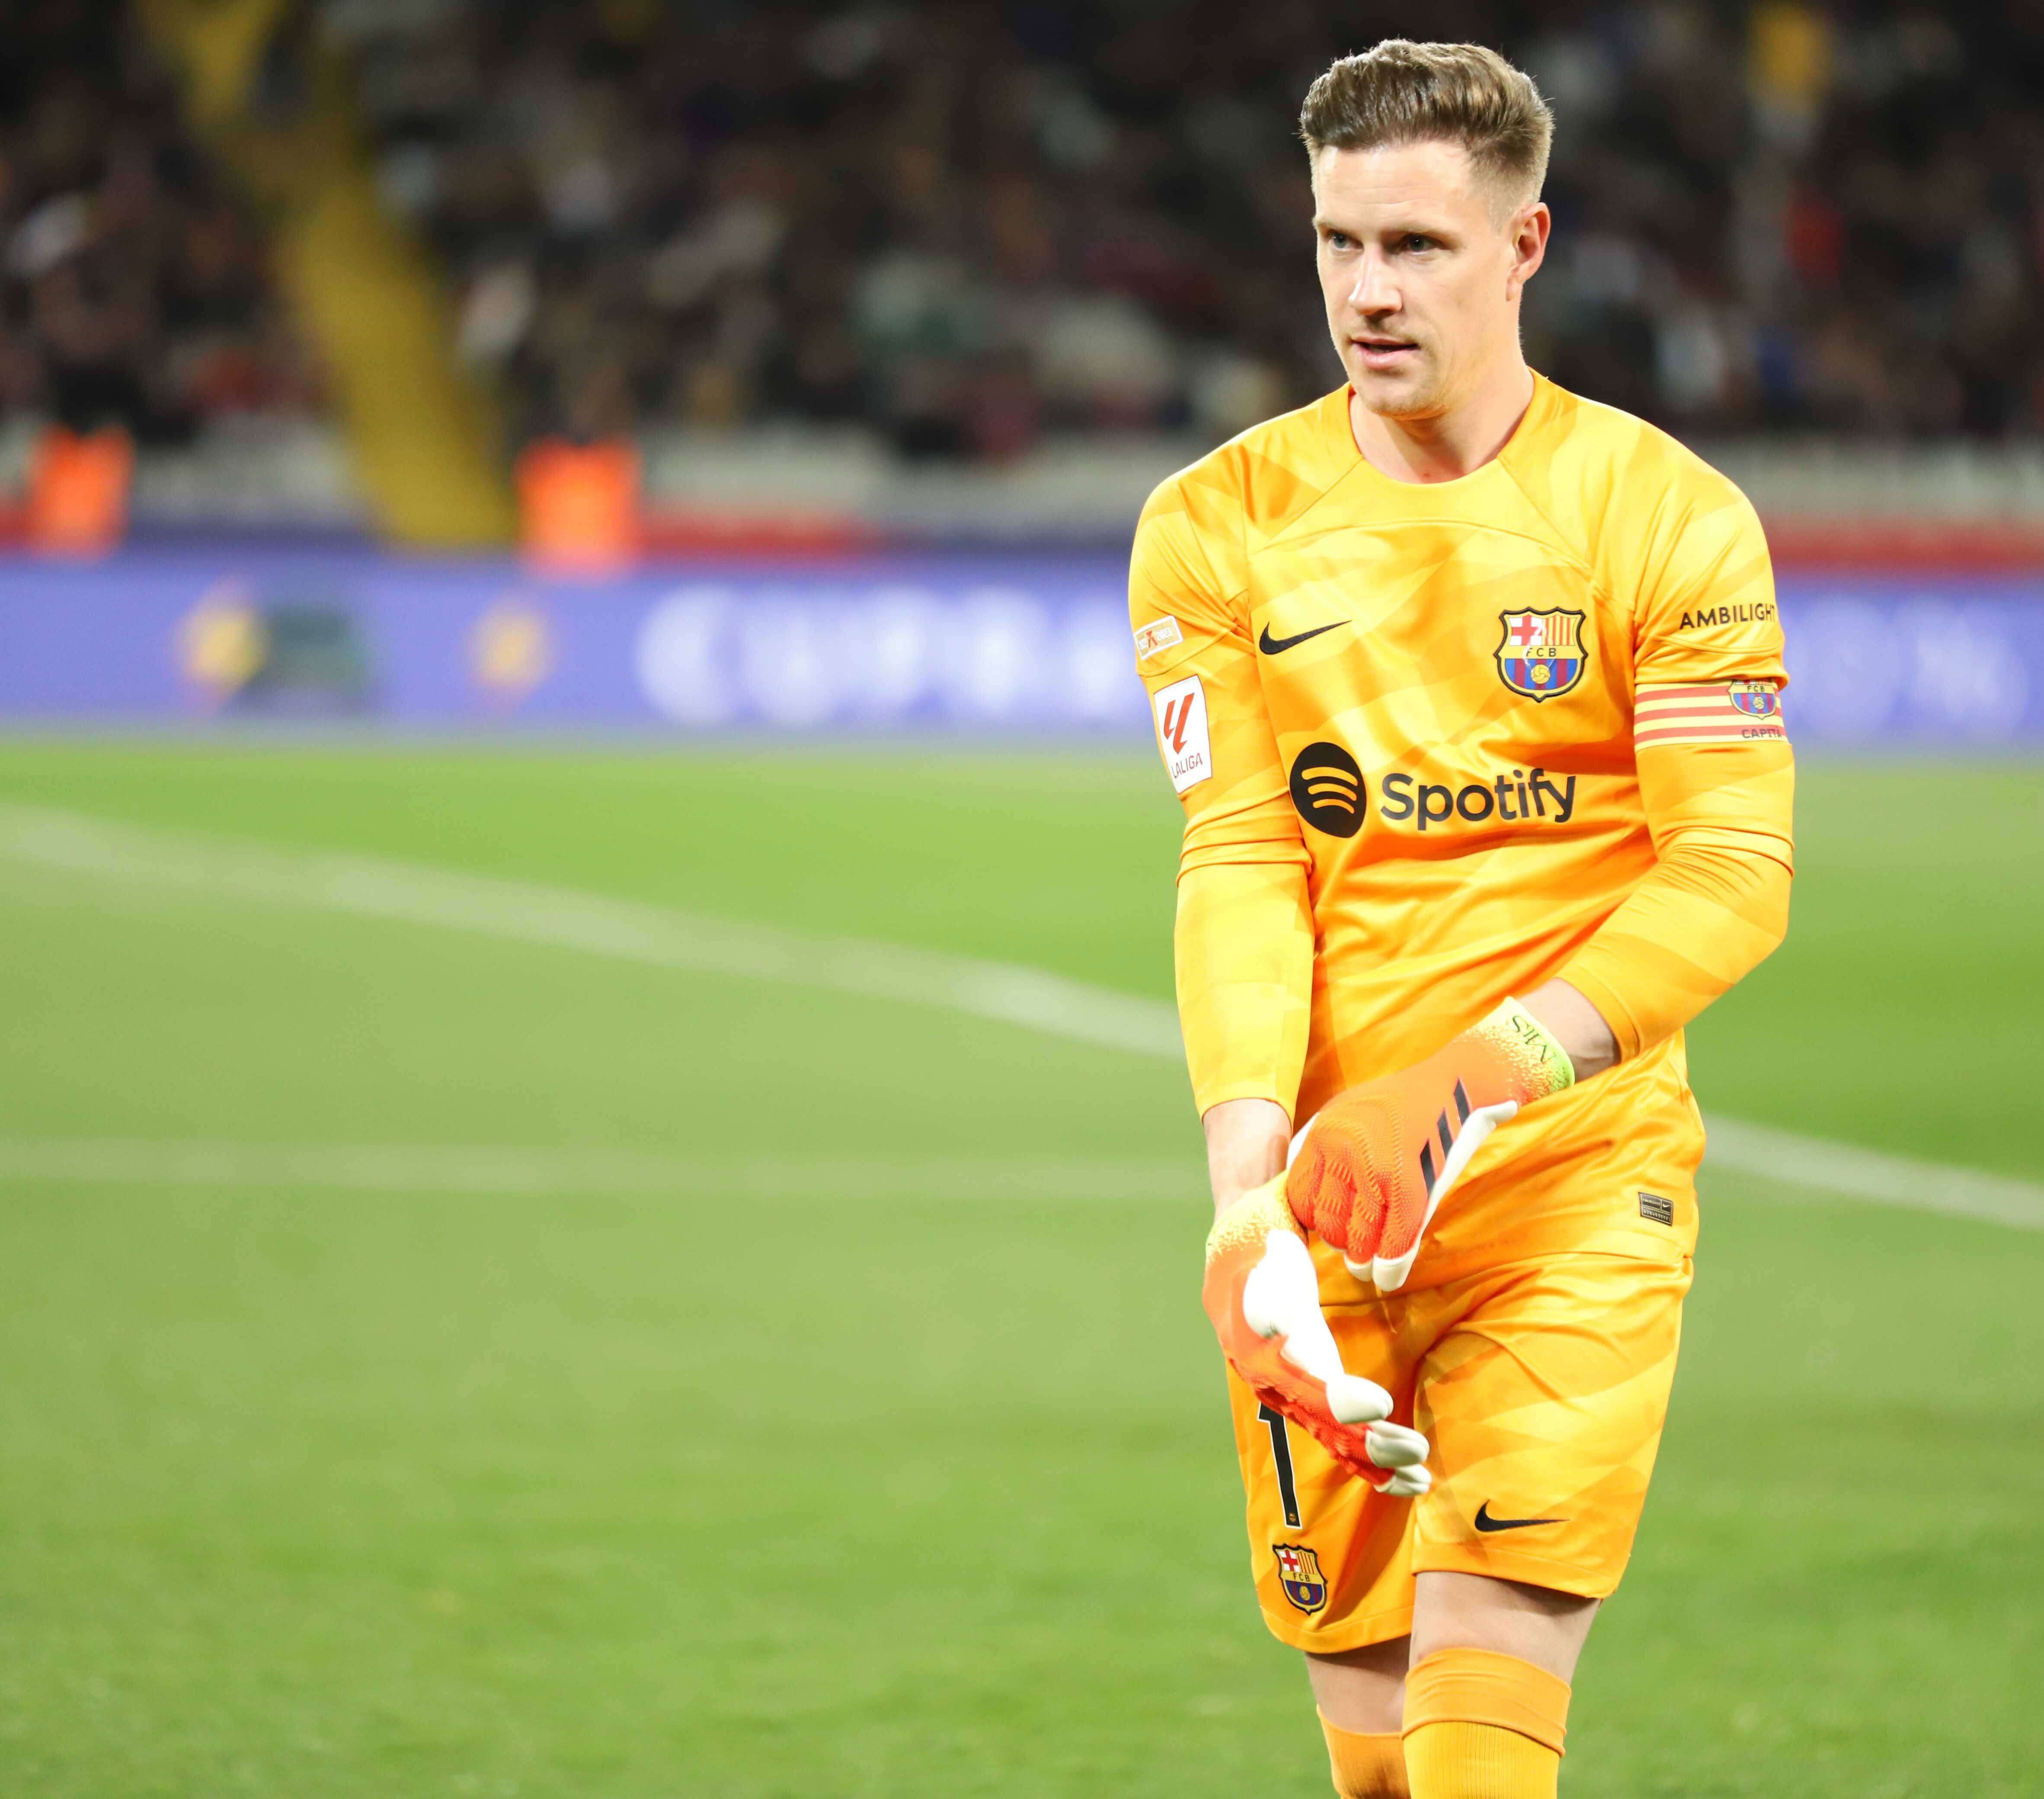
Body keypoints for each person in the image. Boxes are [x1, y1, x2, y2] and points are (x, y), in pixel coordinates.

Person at [1127, 40, 1794, 1799]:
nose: (1365, 288)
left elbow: (1733, 872)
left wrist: (1471, 1079)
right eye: (1339, 241)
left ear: (1526, 246)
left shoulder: (1668, 519)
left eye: (1415, 245)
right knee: (1375, 1753)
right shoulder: (1216, 524)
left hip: (1574, 1181)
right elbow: (1244, 863)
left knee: (1486, 1697)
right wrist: (1244, 1198)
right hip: (1331, 1203)